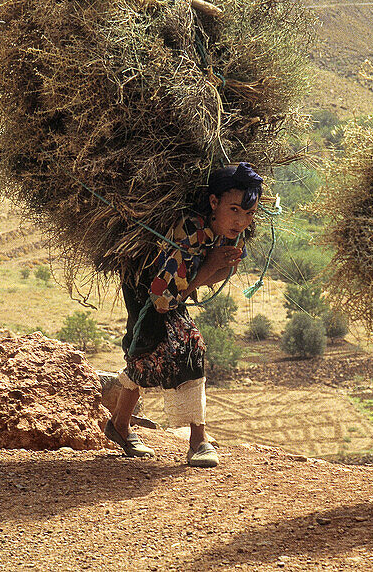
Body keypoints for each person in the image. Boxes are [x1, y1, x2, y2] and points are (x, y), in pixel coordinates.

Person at [105, 162, 262, 467]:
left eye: (249, 213)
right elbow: (164, 299)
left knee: (147, 353)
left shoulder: (232, 233)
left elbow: (219, 274)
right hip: (144, 288)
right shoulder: (189, 231)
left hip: (171, 293)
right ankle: (197, 440)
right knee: (187, 345)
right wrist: (210, 265)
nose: (242, 221)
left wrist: (216, 267)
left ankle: (120, 426)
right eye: (235, 210)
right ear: (214, 203)